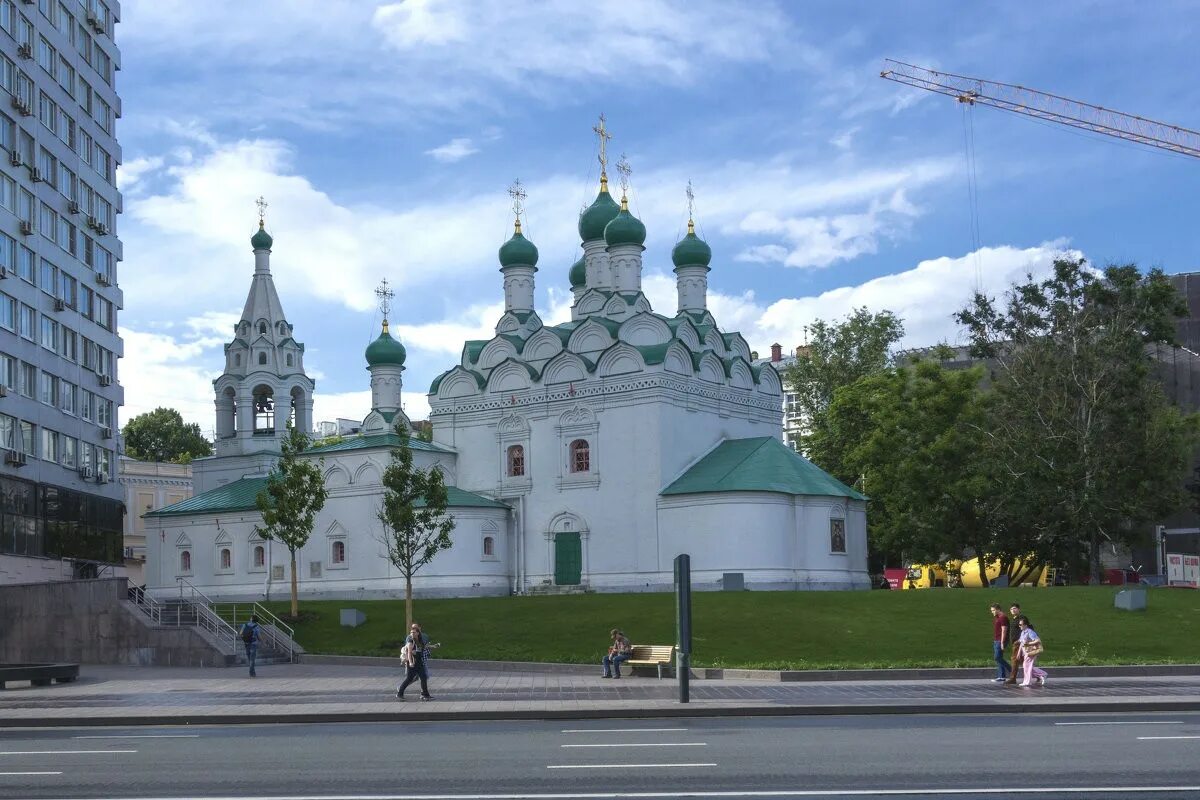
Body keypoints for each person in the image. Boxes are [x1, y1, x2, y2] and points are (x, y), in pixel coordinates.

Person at [397, 622, 437, 701]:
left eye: (414, 632)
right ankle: (399, 693)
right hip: (412, 663)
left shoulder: (420, 640)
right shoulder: (410, 641)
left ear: (418, 633)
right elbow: (409, 653)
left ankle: (425, 695)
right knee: (409, 678)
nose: (412, 634)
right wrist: (411, 662)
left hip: (419, 662)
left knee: (423, 677)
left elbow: (423, 646)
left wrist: (433, 646)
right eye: (411, 632)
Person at [1016, 615, 1048, 687]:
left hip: (1031, 652)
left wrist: (1028, 643)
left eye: (1021, 624)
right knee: (1027, 666)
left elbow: (1037, 640)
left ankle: (1027, 682)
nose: (1019, 626)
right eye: (1019, 624)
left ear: (1025, 625)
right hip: (1026, 652)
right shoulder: (1023, 632)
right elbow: (1021, 643)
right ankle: (1042, 675)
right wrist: (1019, 653)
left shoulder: (1030, 632)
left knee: (1026, 666)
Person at [989, 603, 1011, 683]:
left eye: (993, 610)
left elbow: (1004, 630)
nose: (992, 612)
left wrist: (1002, 642)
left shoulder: (1003, 618)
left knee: (997, 657)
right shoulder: (998, 617)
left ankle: (1012, 671)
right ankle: (1002, 676)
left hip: (1000, 640)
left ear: (998, 609)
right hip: (996, 640)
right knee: (999, 658)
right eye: (991, 610)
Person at [1004, 603, 1023, 685]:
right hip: (1015, 643)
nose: (1013, 610)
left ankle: (1013, 678)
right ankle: (1039, 675)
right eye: (1011, 609)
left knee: (1014, 660)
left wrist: (1020, 640)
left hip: (1019, 643)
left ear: (1019, 609)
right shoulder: (1014, 619)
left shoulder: (1021, 618)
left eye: (1014, 608)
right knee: (1025, 661)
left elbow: (1027, 628)